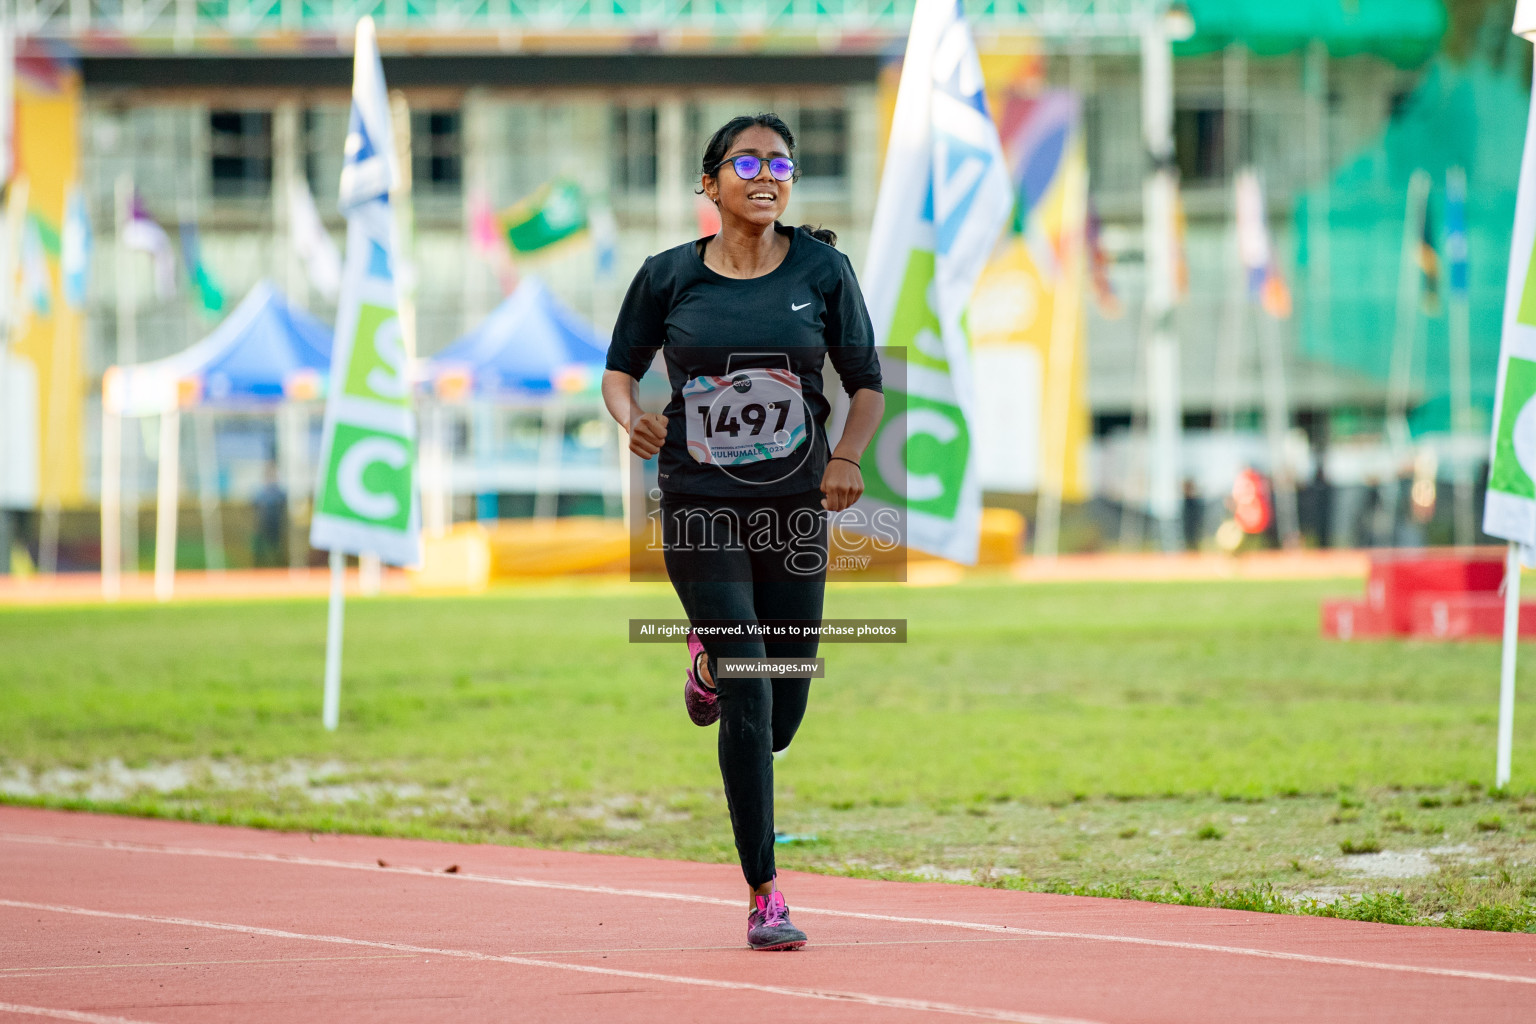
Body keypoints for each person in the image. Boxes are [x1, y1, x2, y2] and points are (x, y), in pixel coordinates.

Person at [602, 113, 884, 951]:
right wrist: (634, 420)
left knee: (781, 709)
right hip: (698, 501)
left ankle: (711, 673)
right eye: (748, 160)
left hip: (796, 504)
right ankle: (765, 890)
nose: (768, 174)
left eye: (782, 162)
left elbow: (866, 383)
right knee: (753, 681)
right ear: (710, 181)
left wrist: (848, 456)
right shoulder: (667, 278)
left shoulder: (824, 271)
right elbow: (619, 371)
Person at [252, 462, 286, 568]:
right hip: (264, 527)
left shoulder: (281, 493)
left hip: (278, 528)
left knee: (277, 550)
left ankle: (278, 564)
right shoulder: (260, 494)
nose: (271, 478)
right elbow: (255, 509)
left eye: (273, 475)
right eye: (269, 475)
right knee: (263, 550)